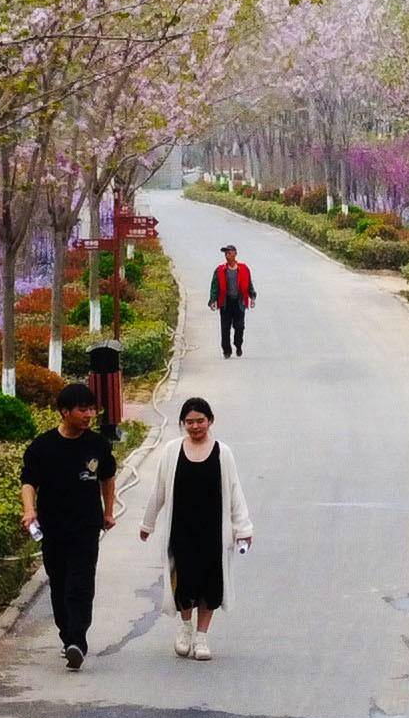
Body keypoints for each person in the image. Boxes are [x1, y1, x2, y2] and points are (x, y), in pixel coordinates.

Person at [134, 394, 253, 659]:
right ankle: (185, 628)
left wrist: (243, 529)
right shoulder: (172, 451)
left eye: (200, 421)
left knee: (210, 584)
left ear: (210, 421)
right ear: (182, 424)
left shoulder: (223, 453)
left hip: (213, 531)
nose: (195, 426)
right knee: (184, 581)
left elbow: (235, 492)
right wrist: (148, 523)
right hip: (182, 529)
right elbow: (159, 490)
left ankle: (202, 637)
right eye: (189, 422)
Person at [17, 380, 116, 670]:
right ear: (64, 412)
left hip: (86, 527)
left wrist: (108, 512)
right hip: (53, 528)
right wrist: (29, 511)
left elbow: (107, 478)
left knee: (80, 584)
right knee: (59, 585)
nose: (88, 415)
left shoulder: (97, 444)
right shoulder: (43, 446)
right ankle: (67, 636)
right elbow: (28, 482)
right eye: (82, 410)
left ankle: (77, 640)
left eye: (91, 410)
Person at [209, 245, 257, 358]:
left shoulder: (244, 269)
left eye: (229, 253)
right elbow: (214, 286)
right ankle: (226, 350)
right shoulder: (220, 270)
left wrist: (252, 296)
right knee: (225, 328)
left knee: (239, 326)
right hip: (226, 303)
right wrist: (213, 300)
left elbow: (249, 284)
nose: (227, 256)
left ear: (235, 254)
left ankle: (238, 345)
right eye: (225, 254)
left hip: (239, 302)